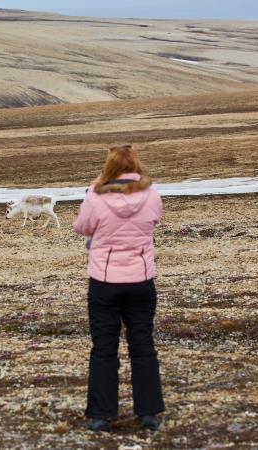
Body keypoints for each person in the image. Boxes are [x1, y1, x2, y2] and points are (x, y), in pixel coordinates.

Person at [73, 145, 165, 432]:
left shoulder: (96, 197)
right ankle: (149, 413)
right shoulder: (151, 195)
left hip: (104, 282)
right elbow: (154, 219)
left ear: (108, 167)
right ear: (136, 166)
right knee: (143, 345)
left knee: (103, 348)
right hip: (141, 280)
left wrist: (94, 187)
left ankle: (101, 416)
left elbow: (81, 227)